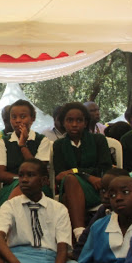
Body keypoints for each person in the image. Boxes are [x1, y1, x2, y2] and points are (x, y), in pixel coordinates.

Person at [0, 159, 76, 263]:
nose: (23, 180)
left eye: (30, 175)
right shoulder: (10, 205)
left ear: (44, 180)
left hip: (50, 259)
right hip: (19, 258)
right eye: (21, 175)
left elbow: (62, 248)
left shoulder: (59, 208)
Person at [53, 102, 112, 242]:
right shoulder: (59, 145)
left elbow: (104, 168)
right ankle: (81, 235)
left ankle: (75, 239)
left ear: (86, 123)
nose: (74, 124)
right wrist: (87, 175)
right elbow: (60, 175)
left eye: (79, 120)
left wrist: (72, 171)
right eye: (70, 120)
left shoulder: (98, 140)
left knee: (69, 189)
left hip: (96, 188)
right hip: (73, 186)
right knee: (70, 180)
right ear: (63, 123)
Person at [0, 99, 51, 207]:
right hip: (10, 187)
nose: (18, 121)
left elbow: (37, 170)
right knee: (22, 186)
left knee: (26, 188)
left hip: (38, 188)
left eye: (23, 116)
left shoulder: (42, 140)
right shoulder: (4, 142)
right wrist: (23, 180)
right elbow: (0, 175)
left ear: (32, 118)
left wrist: (22, 145)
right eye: (13, 117)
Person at [72, 168, 130, 260]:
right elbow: (85, 239)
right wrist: (77, 255)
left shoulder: (130, 215)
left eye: (111, 192)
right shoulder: (103, 211)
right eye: (103, 190)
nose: (106, 196)